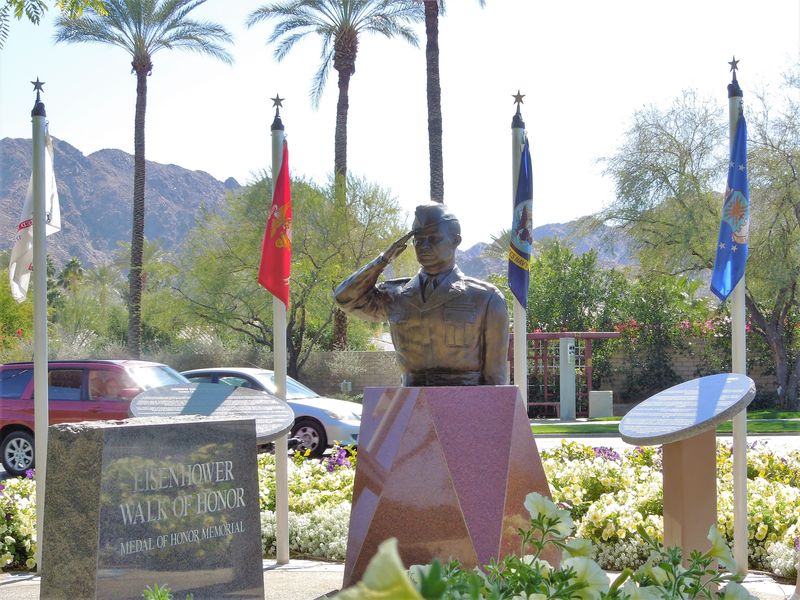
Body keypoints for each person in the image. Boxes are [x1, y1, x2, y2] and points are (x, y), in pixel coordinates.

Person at [334, 202, 509, 386]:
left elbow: (495, 378)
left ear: (456, 240)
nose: (424, 246)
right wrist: (383, 259)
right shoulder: (396, 295)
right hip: (410, 402)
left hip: (465, 402)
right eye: (418, 240)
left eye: (434, 239)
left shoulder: (486, 298)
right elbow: (345, 298)